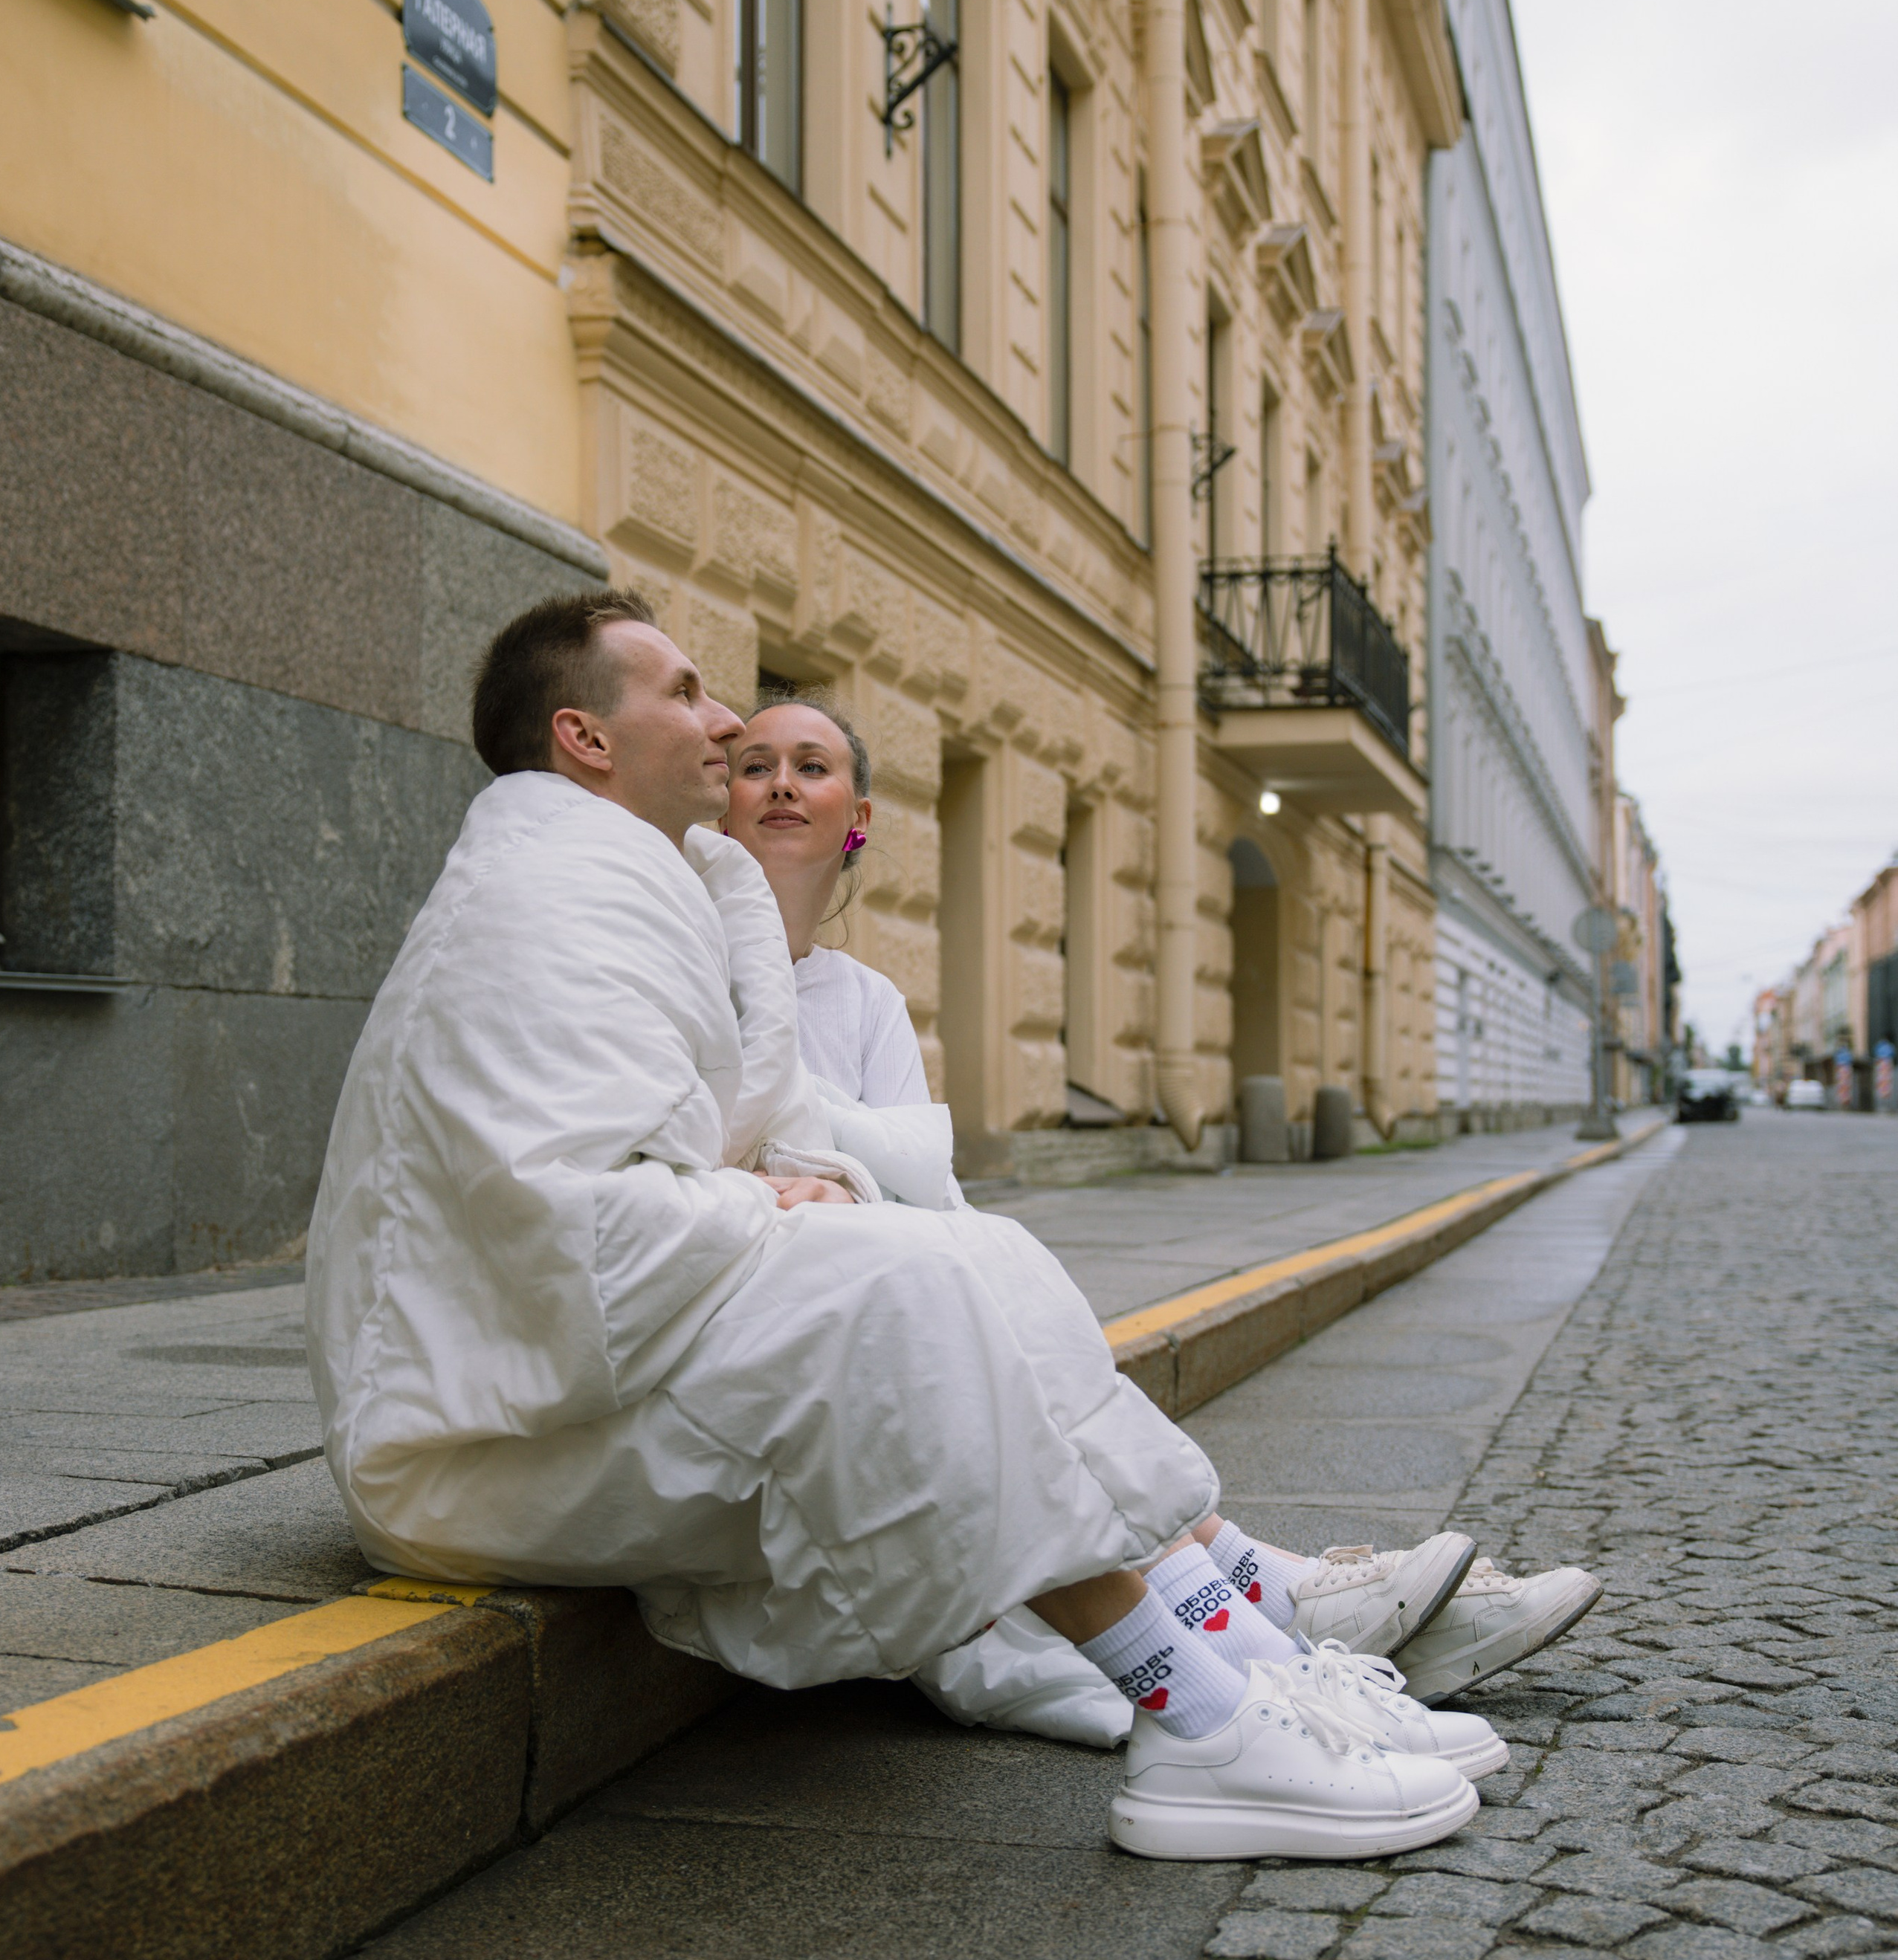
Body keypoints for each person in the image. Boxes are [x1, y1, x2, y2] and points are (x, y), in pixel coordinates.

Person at [307, 589, 1491, 1863]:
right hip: (469, 1440)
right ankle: (1204, 1721)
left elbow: (709, 1144)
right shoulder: (542, 906)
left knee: (978, 1256)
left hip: (555, 1378)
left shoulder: (621, 885)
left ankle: (1252, 1660)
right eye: (689, 695)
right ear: (587, 738)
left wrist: (795, 1187)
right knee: (895, 1296)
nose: (720, 722)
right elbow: (572, 1234)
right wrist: (768, 1200)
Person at [723, 690, 1603, 1736]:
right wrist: (838, 1177)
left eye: (811, 766)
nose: (781, 781)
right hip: (810, 1295)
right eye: (755, 763)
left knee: (990, 1275)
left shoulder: (863, 998)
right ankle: (1271, 1607)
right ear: (722, 804)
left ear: (857, 813)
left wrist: (849, 1178)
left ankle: (1282, 1602)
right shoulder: (694, 961)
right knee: (979, 1306)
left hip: (884, 1259)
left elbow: (921, 1170)